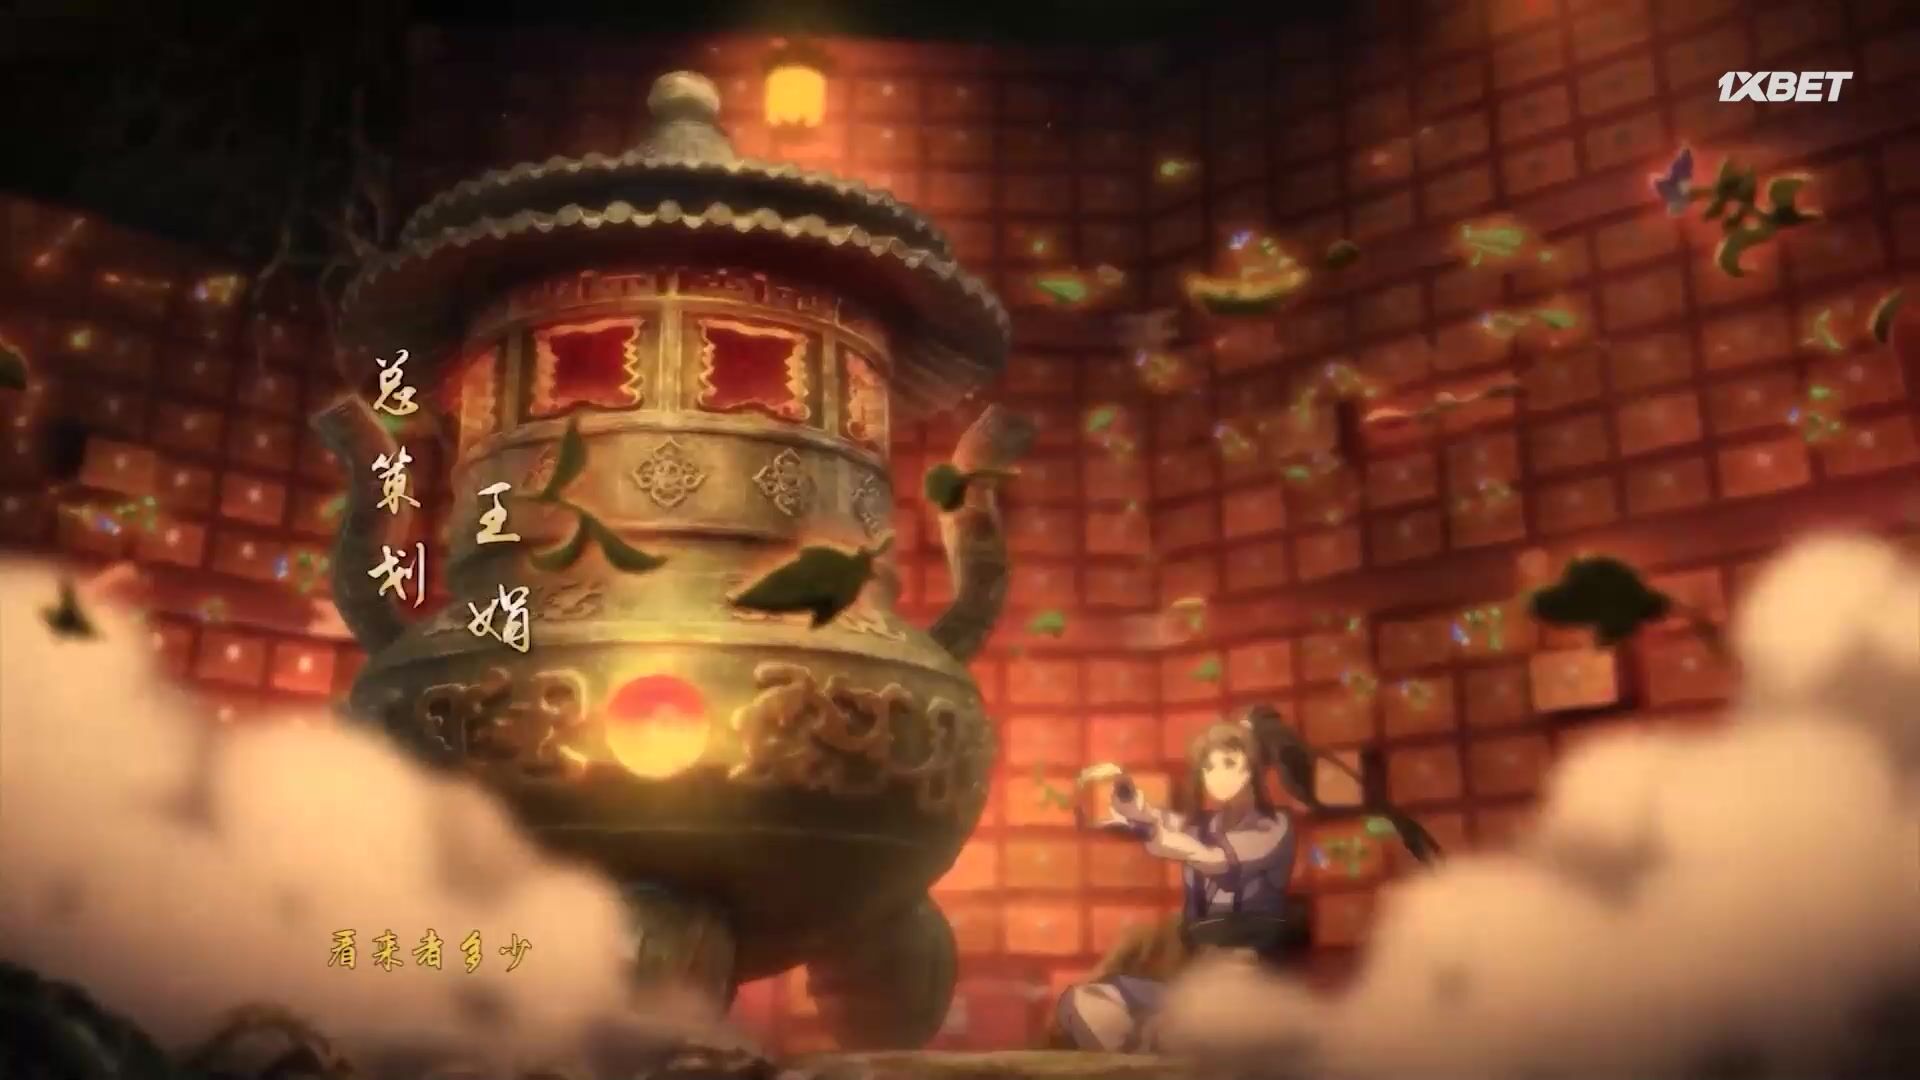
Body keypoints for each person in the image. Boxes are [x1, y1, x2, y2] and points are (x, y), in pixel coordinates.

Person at [1053, 717, 1299, 1053]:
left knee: (1200, 1025)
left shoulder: (1273, 827)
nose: (1218, 775)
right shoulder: (1202, 825)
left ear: (1252, 768)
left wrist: (1157, 832)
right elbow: (1158, 821)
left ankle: (1159, 1042)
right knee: (1085, 1000)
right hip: (1196, 976)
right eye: (1209, 767)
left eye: (1229, 763)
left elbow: (1212, 858)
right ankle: (1140, 1054)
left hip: (1247, 975)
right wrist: (1129, 800)